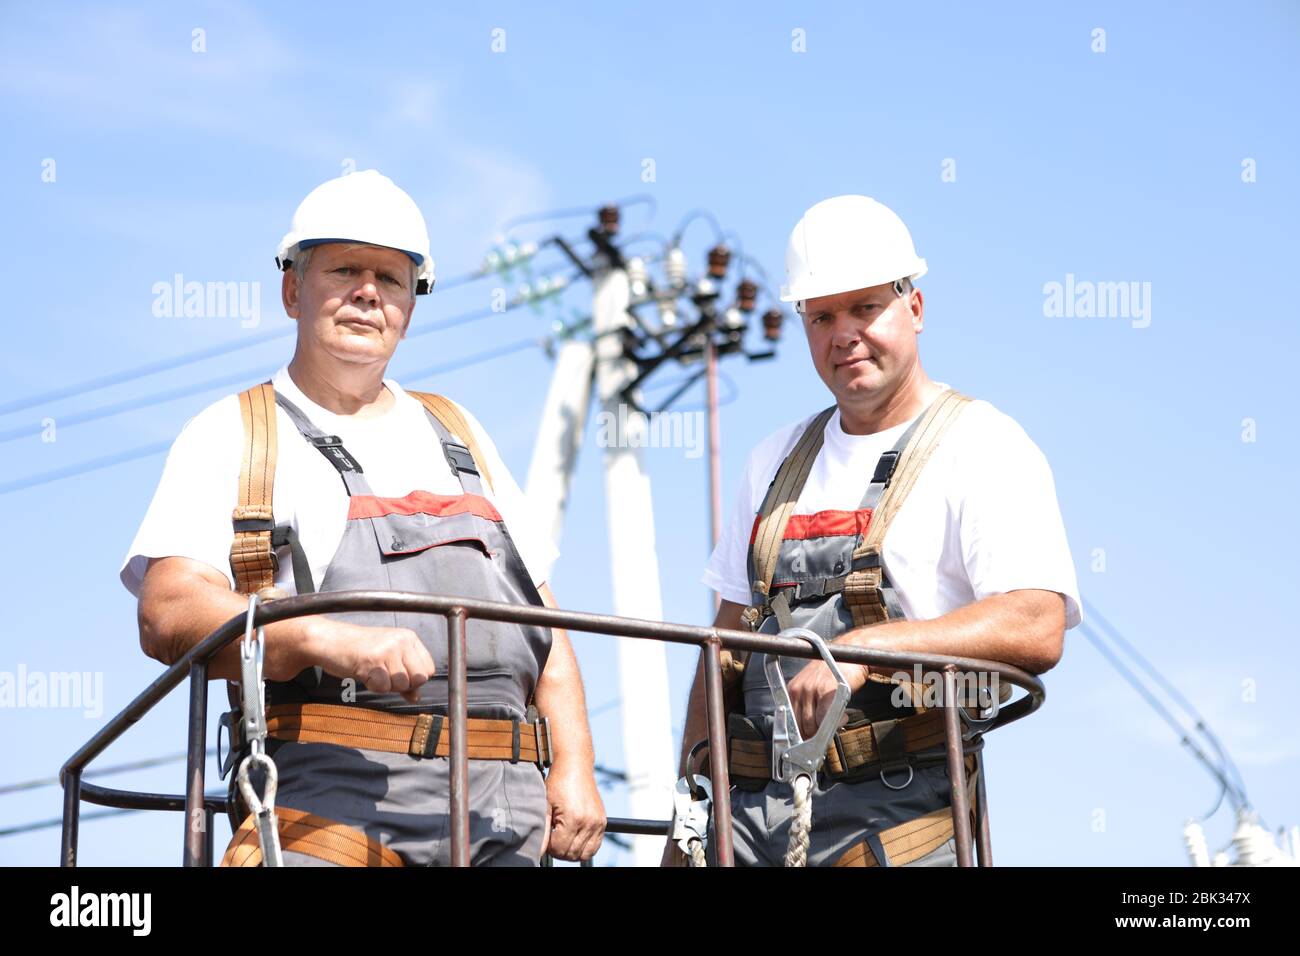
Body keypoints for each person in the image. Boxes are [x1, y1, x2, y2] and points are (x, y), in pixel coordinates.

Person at [121, 169, 604, 866]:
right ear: (293, 289)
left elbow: (543, 622)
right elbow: (167, 612)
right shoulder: (235, 432)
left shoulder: (459, 433)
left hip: (504, 819)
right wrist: (326, 637)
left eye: (391, 278)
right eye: (345, 269)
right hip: (331, 813)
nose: (368, 293)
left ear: (412, 303)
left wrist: (575, 765)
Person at [666, 195, 1081, 867]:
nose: (843, 334)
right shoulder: (774, 461)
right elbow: (724, 654)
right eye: (822, 315)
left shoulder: (982, 445)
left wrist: (862, 652)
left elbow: (1036, 624)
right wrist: (690, 816)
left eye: (866, 308)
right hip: (751, 828)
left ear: (913, 308)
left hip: (903, 825)